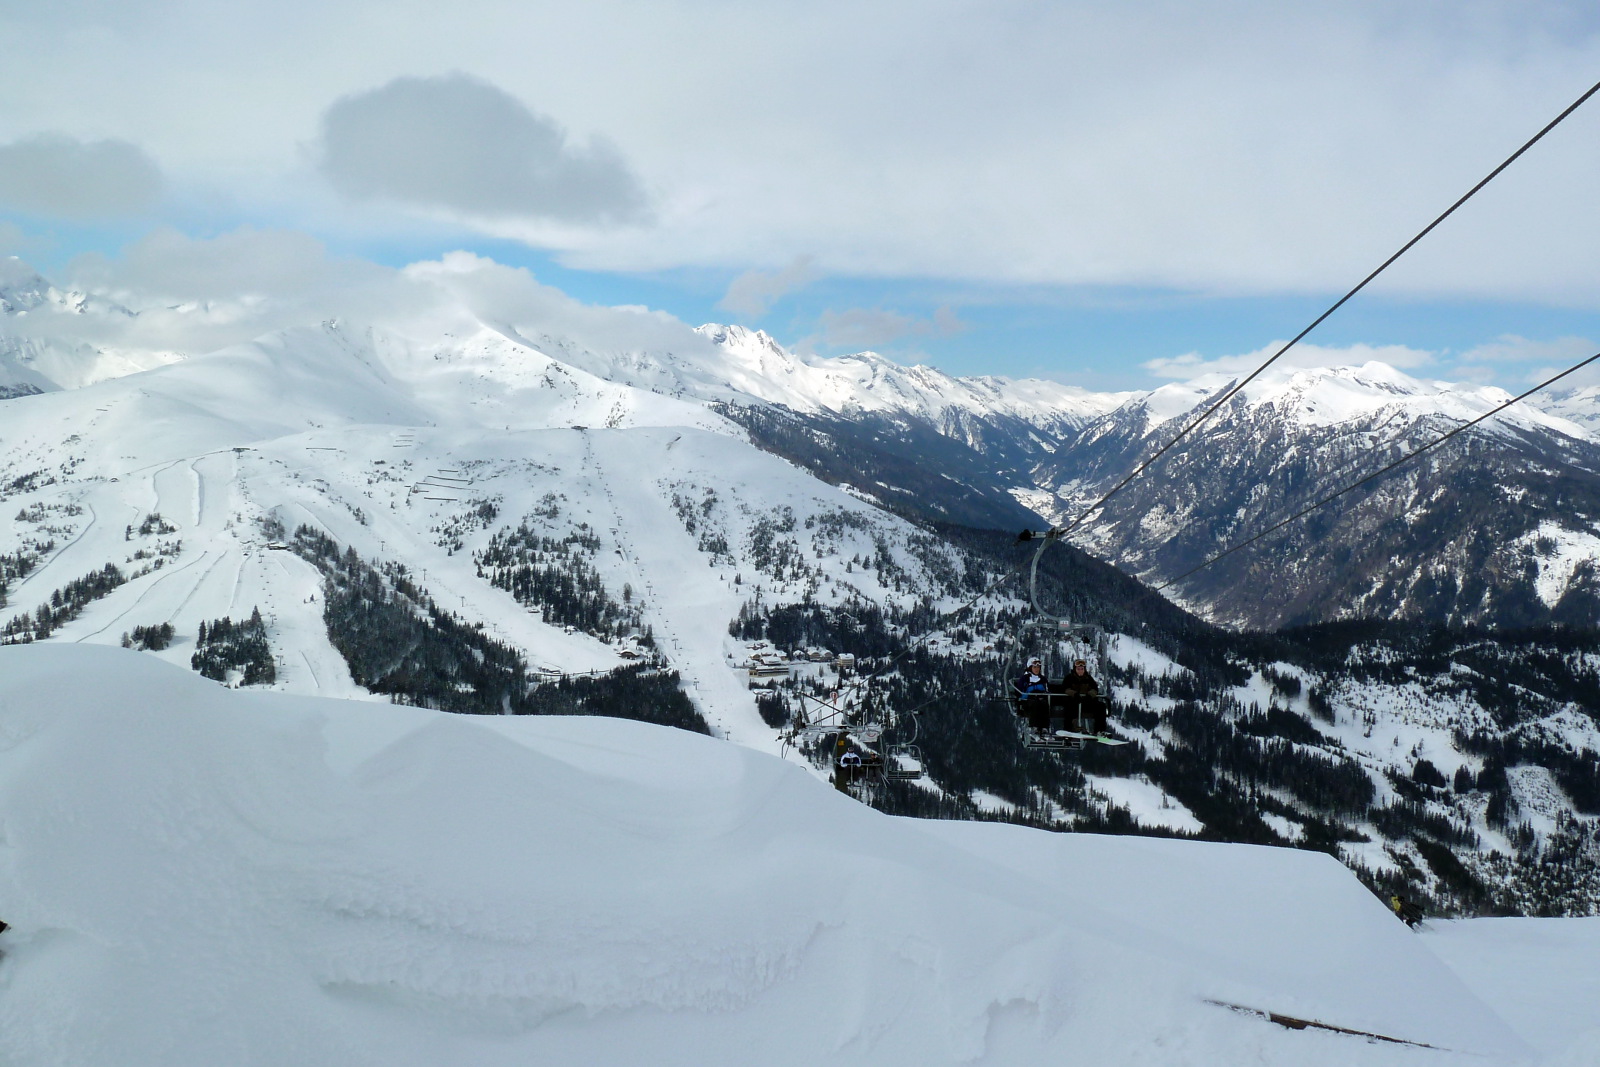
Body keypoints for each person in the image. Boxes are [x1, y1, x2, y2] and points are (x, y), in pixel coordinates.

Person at [1056, 659, 1106, 735]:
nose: (1080, 671)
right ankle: (1068, 729)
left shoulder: (1088, 678)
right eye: (1078, 669)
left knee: (1101, 706)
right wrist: (1074, 694)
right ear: (1075, 669)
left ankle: (1100, 730)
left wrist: (1089, 695)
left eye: (1082, 669)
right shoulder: (1069, 678)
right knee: (1069, 708)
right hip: (1073, 702)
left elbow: (1094, 689)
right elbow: (1065, 689)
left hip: (1086, 703)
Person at [1013, 657, 1052, 732]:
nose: (1037, 669)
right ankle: (1034, 727)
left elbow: (1047, 690)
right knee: (1035, 704)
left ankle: (1045, 727)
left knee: (1044, 704)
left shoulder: (1043, 679)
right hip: (1027, 701)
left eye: (1038, 667)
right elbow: (1019, 691)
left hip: (1040, 700)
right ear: (1030, 668)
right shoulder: (1025, 679)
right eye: (1034, 667)